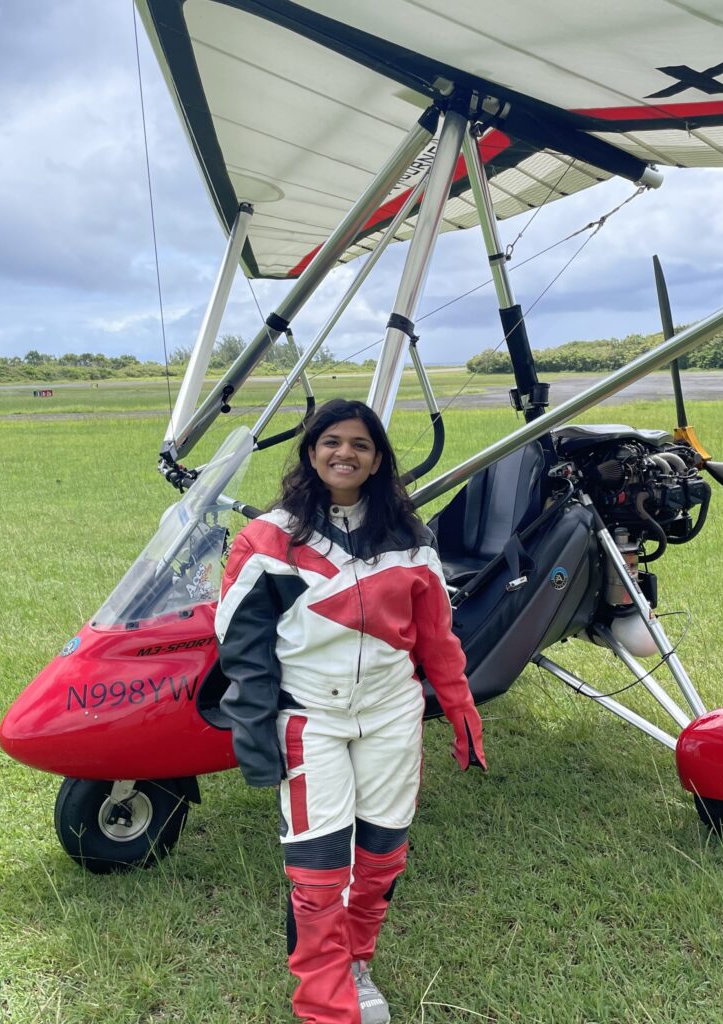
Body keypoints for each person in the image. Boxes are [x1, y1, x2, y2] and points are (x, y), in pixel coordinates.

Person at [215, 398, 486, 1024]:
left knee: (382, 856)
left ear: (378, 458)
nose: (345, 453)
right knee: (316, 871)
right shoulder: (269, 539)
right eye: (331, 441)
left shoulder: (410, 538)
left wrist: (461, 709)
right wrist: (252, 727)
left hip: (392, 714)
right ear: (311, 453)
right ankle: (326, 1008)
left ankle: (356, 962)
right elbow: (244, 649)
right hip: (310, 717)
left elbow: (439, 638)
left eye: (360, 444)